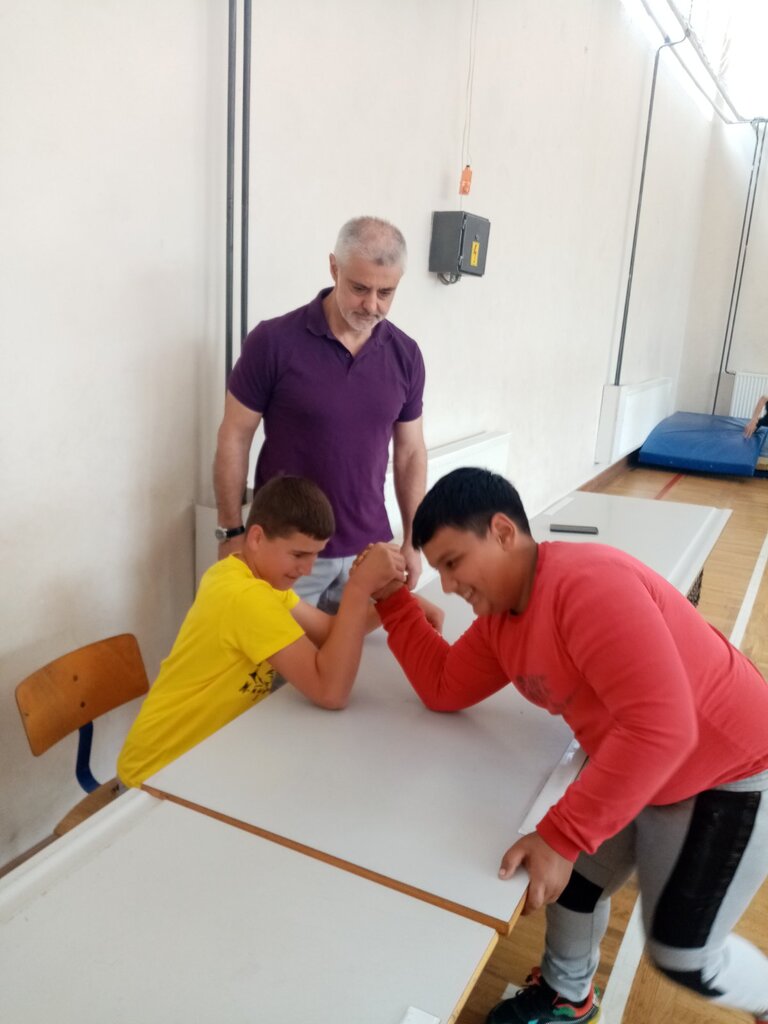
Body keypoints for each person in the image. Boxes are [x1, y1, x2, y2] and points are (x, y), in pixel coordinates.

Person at [361, 467, 768, 1024]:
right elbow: (443, 686)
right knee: (572, 882)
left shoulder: (587, 587)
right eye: (440, 571)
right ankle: (568, 996)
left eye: (453, 563)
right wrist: (390, 599)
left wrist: (563, 834)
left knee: (684, 955)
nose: (449, 586)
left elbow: (662, 729)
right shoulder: (502, 618)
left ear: (503, 532)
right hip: (643, 758)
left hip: (729, 769)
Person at [117, 476, 410, 789]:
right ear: (256, 537)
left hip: (202, 762)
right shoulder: (245, 596)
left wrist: (396, 605)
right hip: (154, 778)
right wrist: (359, 588)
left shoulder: (253, 577)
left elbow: (327, 632)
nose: (308, 569)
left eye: (315, 555)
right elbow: (331, 692)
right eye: (298, 555)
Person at [213, 215, 427, 612]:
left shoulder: (406, 355)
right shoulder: (273, 342)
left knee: (356, 653)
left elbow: (411, 452)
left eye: (386, 292)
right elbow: (235, 435)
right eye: (359, 288)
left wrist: (413, 541)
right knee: (277, 656)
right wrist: (230, 532)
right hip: (286, 553)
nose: (372, 305)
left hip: (370, 552)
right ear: (334, 268)